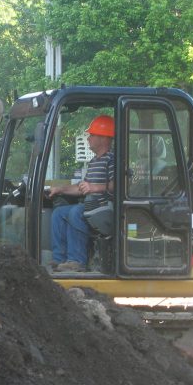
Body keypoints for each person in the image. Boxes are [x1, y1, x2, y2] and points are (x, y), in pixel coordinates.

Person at [47, 114, 115, 272]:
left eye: (92, 135)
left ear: (104, 138)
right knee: (59, 213)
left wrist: (94, 187)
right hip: (91, 205)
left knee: (76, 212)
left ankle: (76, 260)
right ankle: (59, 259)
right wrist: (60, 189)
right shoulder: (94, 162)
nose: (88, 138)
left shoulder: (112, 159)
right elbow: (82, 188)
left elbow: (117, 185)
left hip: (104, 206)